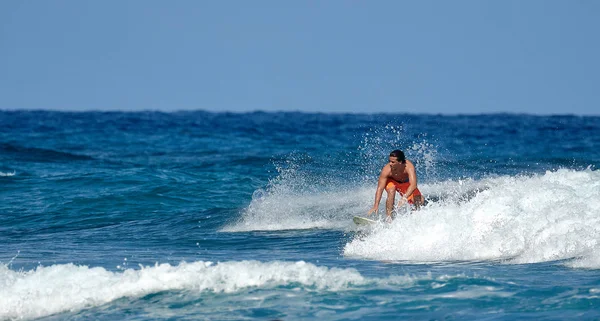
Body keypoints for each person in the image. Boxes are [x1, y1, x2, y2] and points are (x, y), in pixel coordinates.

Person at [367, 149, 425, 221]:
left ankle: (414, 218)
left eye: (393, 162)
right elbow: (380, 188)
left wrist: (404, 197)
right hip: (391, 181)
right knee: (391, 190)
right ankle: (389, 219)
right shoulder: (386, 170)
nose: (390, 164)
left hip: (405, 183)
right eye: (389, 161)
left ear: (400, 162)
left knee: (419, 201)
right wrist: (376, 205)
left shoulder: (409, 167)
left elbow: (413, 185)